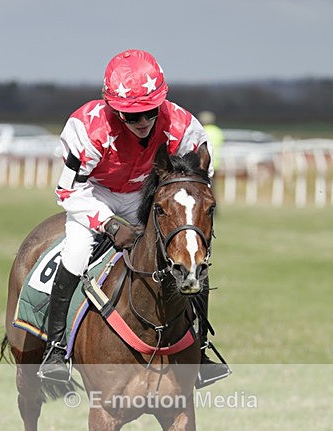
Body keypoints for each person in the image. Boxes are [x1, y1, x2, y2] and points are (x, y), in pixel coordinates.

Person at [39, 49, 230, 386]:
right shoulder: (86, 128)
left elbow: (198, 181)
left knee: (191, 257)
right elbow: (67, 192)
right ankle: (55, 348)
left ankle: (200, 349)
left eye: (150, 113)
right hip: (94, 194)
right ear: (113, 109)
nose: (142, 123)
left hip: (148, 193)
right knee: (77, 252)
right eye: (131, 117)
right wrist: (110, 225)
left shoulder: (185, 127)